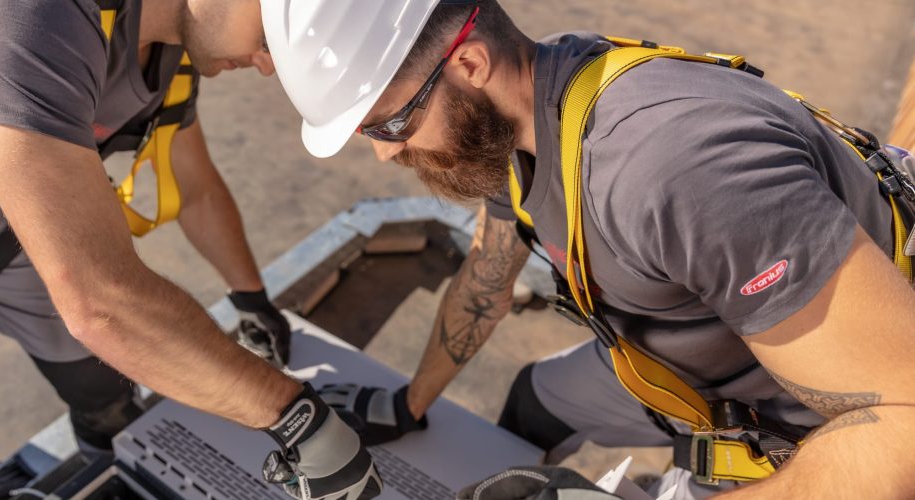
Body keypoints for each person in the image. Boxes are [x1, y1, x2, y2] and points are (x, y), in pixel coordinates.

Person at [263, 0, 915, 497]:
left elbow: (902, 421)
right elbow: (487, 281)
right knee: (535, 401)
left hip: (827, 404)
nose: (385, 152)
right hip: (688, 353)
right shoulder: (522, 113)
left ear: (467, 64)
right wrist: (410, 403)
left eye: (390, 122)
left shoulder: (669, 168)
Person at [0, 1, 376, 499]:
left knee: (99, 376)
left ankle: (108, 440)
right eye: (276, 31)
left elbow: (195, 190)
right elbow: (101, 303)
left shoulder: (169, 44)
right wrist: (299, 418)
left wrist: (252, 298)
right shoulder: (31, 16)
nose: (273, 65)